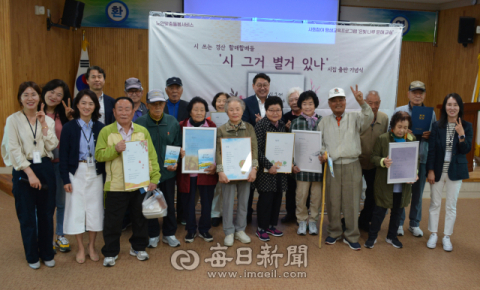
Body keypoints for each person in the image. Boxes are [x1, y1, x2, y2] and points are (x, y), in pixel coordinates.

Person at [95, 97, 160, 267]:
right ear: (114, 112)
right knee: (113, 221)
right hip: (115, 185)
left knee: (140, 218)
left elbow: (151, 156)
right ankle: (110, 252)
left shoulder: (142, 131)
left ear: (133, 112)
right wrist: (114, 150)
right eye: (120, 109)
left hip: (139, 183)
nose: (124, 112)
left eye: (127, 109)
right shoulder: (106, 132)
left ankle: (138, 247)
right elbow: (99, 155)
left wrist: (154, 178)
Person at [1, 81, 58, 269]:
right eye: (25, 94)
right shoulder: (13, 120)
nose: (30, 98)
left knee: (46, 214)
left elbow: (51, 146)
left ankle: (47, 253)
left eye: (33, 94)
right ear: (20, 99)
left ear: (39, 97)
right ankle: (32, 255)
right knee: (26, 215)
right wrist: (30, 173)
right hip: (23, 170)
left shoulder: (47, 120)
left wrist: (43, 125)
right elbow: (14, 149)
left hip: (45, 167)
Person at [318, 86, 374, 250]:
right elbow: (319, 144)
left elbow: (368, 117)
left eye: (341, 99)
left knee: (352, 201)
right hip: (332, 165)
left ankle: (351, 235)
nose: (338, 103)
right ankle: (334, 232)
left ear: (345, 101)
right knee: (333, 201)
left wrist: (362, 102)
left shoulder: (355, 117)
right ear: (329, 103)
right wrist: (323, 154)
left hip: (352, 165)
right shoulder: (324, 122)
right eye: (334, 100)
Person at [59, 89, 105, 263]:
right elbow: (63, 156)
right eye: (83, 103)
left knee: (94, 210)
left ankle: (91, 246)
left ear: (95, 106)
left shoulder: (101, 127)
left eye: (91, 103)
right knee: (76, 210)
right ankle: (79, 247)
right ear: (77, 105)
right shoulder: (69, 127)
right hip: (75, 172)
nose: (87, 107)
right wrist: (65, 179)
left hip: (95, 173)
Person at [135, 90, 182, 248]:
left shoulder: (172, 122)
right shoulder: (140, 123)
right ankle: (153, 234)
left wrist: (175, 161)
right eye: (153, 103)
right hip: (146, 173)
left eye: (160, 103)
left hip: (168, 172)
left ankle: (169, 233)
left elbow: (176, 144)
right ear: (147, 105)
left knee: (169, 202)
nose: (157, 106)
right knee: (149, 203)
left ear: (164, 104)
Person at [426, 93, 473, 252]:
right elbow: (431, 150)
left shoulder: (467, 126)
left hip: (455, 170)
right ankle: (433, 233)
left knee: (451, 205)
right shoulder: (437, 125)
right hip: (438, 171)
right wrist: (430, 170)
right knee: (435, 203)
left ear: (460, 107)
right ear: (444, 107)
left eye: (455, 105)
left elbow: (466, 149)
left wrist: (461, 134)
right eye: (449, 104)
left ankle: (447, 236)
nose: (452, 108)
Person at [365, 111, 417, 249]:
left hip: (402, 185)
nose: (402, 130)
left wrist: (415, 173)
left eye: (405, 127)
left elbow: (414, 161)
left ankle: (391, 236)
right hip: (385, 184)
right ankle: (372, 236)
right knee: (379, 212)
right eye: (399, 126)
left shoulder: (411, 139)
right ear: (393, 126)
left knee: (397, 211)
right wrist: (383, 161)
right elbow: (373, 158)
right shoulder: (383, 138)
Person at [394, 81, 436, 237]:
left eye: (420, 92)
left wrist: (430, 135)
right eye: (414, 92)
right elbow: (390, 133)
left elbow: (435, 136)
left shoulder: (430, 113)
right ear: (408, 94)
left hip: (422, 157)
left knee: (418, 193)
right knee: (403, 192)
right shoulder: (399, 111)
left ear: (424, 94)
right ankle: (398, 222)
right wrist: (403, 133)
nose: (417, 95)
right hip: (404, 157)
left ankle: (414, 223)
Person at [216, 97, 258, 246]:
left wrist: (254, 169)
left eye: (237, 109)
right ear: (226, 111)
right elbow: (218, 152)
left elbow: (254, 149)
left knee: (243, 202)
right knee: (227, 202)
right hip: (228, 173)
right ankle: (228, 231)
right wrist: (220, 171)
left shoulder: (249, 128)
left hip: (245, 173)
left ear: (242, 110)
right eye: (231, 109)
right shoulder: (221, 129)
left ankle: (240, 230)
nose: (235, 112)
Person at [177, 97, 218, 243]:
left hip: (207, 172)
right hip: (188, 173)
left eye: (202, 110)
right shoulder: (181, 126)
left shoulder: (212, 126)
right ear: (190, 112)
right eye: (195, 110)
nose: (199, 113)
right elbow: (175, 145)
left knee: (207, 202)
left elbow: (218, 149)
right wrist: (179, 153)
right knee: (188, 203)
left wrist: (215, 165)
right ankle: (191, 229)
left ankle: (205, 229)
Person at [40, 79, 74, 253]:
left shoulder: (64, 115)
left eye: (59, 94)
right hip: (42, 164)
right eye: (51, 91)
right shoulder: (34, 113)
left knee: (61, 202)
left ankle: (60, 234)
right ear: (45, 91)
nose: (53, 96)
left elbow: (72, 138)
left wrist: (70, 119)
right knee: (44, 203)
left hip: (61, 164)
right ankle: (44, 236)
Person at [254, 96, 289, 241]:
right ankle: (261, 227)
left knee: (277, 199)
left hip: (280, 170)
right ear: (265, 110)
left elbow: (287, 147)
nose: (275, 113)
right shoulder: (260, 126)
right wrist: (269, 166)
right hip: (266, 172)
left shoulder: (282, 125)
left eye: (278, 110)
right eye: (271, 110)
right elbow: (257, 150)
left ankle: (271, 225)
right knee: (265, 200)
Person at [290, 91, 323, 235]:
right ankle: (302, 221)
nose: (308, 106)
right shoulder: (296, 122)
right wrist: (292, 163)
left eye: (310, 103)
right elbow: (292, 145)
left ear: (315, 104)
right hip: (302, 167)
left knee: (316, 197)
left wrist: (324, 156)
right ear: (300, 105)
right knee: (301, 196)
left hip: (318, 167)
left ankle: (313, 221)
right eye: (304, 104)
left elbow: (327, 142)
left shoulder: (323, 121)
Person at [242, 73, 271, 223]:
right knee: (249, 186)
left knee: (266, 188)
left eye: (265, 84)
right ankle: (246, 216)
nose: (262, 87)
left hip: (270, 152)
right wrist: (260, 124)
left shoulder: (273, 103)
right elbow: (244, 125)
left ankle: (264, 218)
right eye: (259, 85)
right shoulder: (246, 103)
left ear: (269, 86)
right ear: (253, 86)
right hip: (251, 151)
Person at [358, 91, 389, 232]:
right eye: (370, 103)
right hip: (357, 162)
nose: (373, 106)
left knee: (372, 194)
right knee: (353, 193)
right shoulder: (358, 117)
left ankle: (364, 220)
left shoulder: (384, 118)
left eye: (376, 103)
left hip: (375, 163)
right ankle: (350, 220)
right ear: (365, 102)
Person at [163, 76, 189, 225]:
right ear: (166, 90)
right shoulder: (161, 105)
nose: (174, 91)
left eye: (177, 88)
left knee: (182, 185)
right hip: (166, 150)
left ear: (181, 90)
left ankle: (182, 216)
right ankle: (168, 215)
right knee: (167, 186)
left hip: (183, 151)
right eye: (171, 88)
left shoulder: (188, 106)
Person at [281, 87, 303, 224]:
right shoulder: (284, 117)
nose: (294, 102)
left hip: (303, 155)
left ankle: (302, 214)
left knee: (303, 188)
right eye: (291, 100)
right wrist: (286, 129)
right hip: (289, 157)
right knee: (290, 187)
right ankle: (290, 213)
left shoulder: (308, 116)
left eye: (296, 99)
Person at [209, 92, 230, 227]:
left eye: (224, 101)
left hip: (229, 155)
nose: (221, 103)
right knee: (216, 187)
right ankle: (215, 213)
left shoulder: (233, 117)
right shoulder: (210, 119)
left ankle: (225, 213)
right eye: (218, 100)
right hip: (213, 154)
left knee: (227, 186)